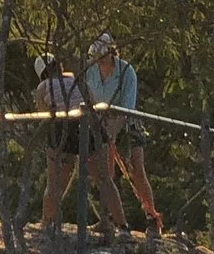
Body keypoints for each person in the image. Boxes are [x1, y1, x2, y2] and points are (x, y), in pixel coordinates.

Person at [80, 30, 164, 238]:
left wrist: (113, 133)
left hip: (125, 122)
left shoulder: (126, 72)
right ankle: (107, 218)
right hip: (100, 122)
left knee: (136, 168)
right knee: (103, 171)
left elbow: (127, 108)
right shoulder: (90, 71)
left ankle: (151, 217)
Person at [32, 52, 88, 233]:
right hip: (79, 129)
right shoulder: (75, 79)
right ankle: (51, 219)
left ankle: (47, 221)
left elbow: (43, 114)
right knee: (65, 178)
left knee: (53, 182)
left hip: (57, 131)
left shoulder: (43, 87)